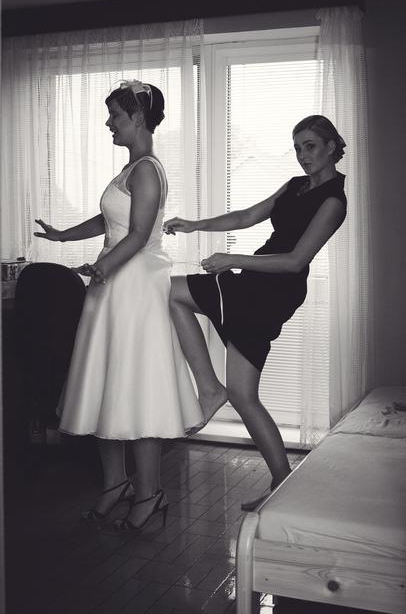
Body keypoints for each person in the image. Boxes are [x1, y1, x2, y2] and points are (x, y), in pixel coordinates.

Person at [35, 80, 203, 529]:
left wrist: (104, 267)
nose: (109, 123)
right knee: (106, 384)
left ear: (138, 118)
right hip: (112, 283)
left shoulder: (147, 169)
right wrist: (63, 236)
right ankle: (115, 485)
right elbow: (110, 219)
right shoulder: (130, 168)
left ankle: (149, 493)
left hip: (134, 287)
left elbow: (140, 234)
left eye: (115, 116)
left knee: (135, 388)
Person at [163, 115, 347, 510]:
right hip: (254, 281)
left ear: (331, 146)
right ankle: (282, 484)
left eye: (310, 146)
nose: (302, 155)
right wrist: (194, 225)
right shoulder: (296, 186)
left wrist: (233, 258)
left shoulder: (334, 201)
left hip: (272, 290)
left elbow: (296, 260)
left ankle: (210, 390)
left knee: (173, 293)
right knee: (243, 396)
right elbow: (246, 216)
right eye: (297, 148)